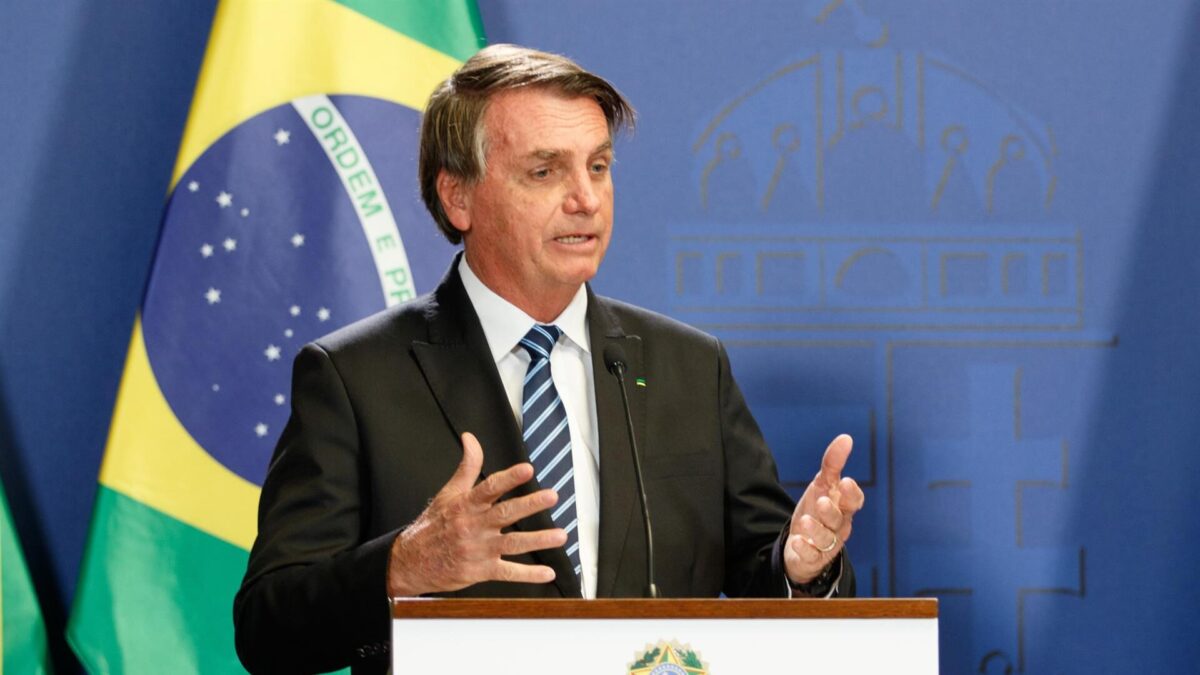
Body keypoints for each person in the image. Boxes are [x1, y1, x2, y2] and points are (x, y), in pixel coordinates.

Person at [234, 44, 865, 674]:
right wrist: (404, 565)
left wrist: (802, 568)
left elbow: (765, 570)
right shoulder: (354, 378)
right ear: (458, 197)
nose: (586, 199)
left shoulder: (690, 367)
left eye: (598, 166)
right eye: (544, 172)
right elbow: (268, 627)